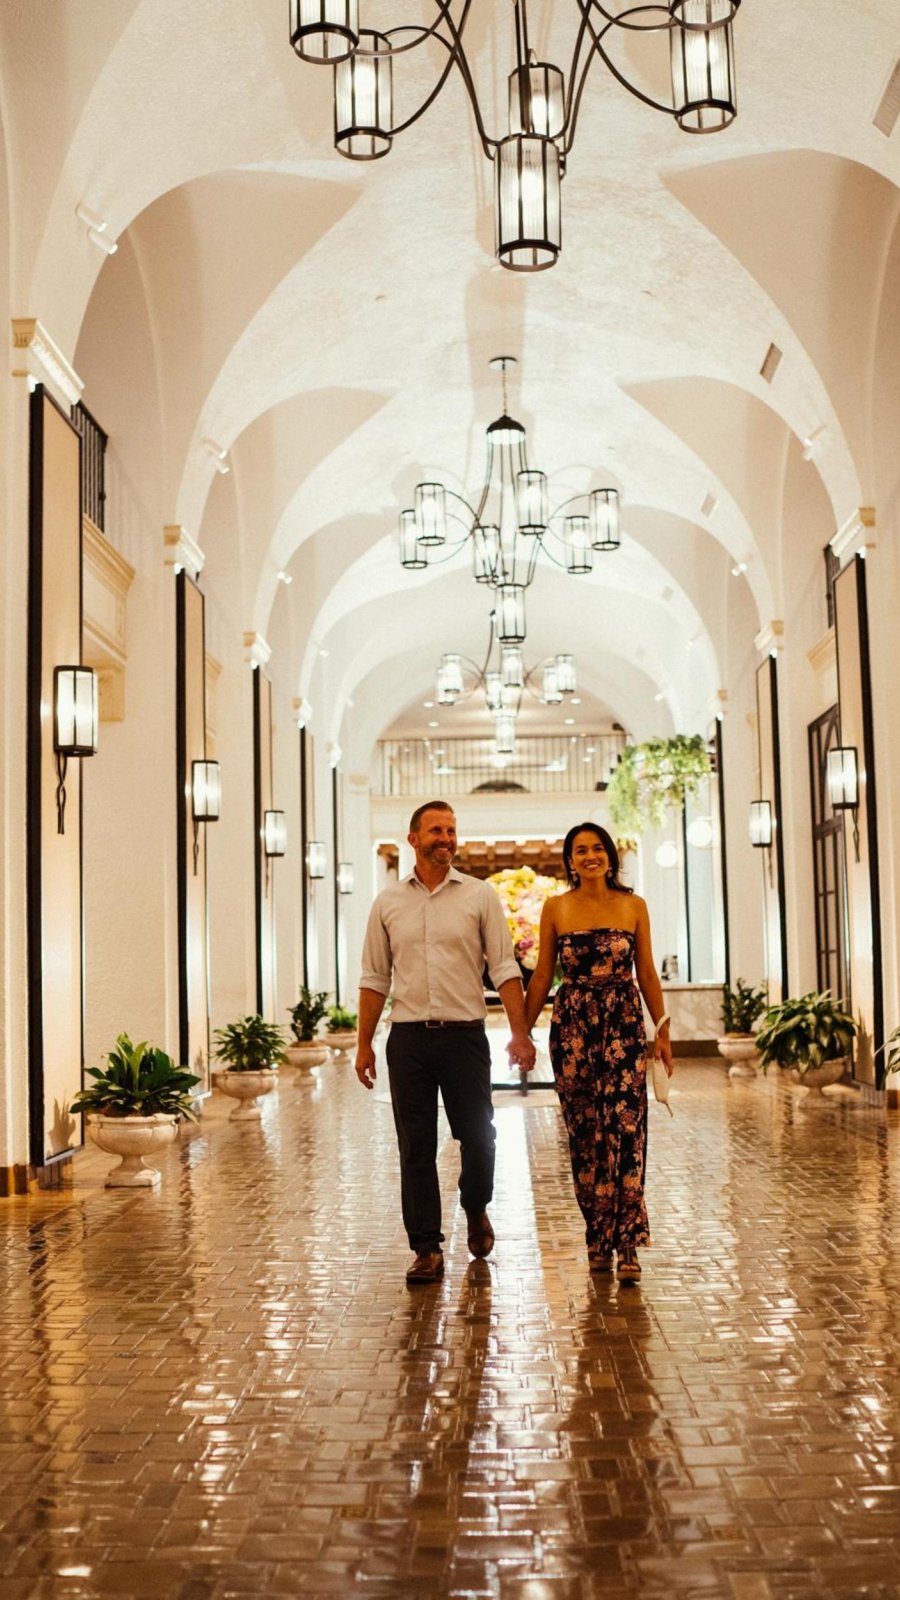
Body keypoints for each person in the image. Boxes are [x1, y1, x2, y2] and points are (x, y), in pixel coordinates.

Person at [356, 801, 537, 1285]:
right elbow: (374, 977)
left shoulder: (479, 897)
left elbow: (503, 968)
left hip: (465, 1038)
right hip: (409, 1039)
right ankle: (426, 1248)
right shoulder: (388, 903)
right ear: (413, 838)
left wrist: (520, 1034)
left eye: (452, 830)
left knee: (479, 1137)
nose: (446, 837)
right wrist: (364, 1044)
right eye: (436, 829)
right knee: (415, 1145)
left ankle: (475, 1205)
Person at [523, 822, 673, 1285]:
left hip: (624, 1025)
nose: (590, 856)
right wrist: (520, 1033)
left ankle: (627, 1240)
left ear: (610, 855)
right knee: (586, 1133)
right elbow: (543, 975)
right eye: (580, 850)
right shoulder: (557, 907)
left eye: (597, 848)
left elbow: (645, 970)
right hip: (573, 1029)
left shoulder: (633, 906)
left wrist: (661, 1029)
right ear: (570, 861)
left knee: (627, 1128)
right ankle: (596, 1237)